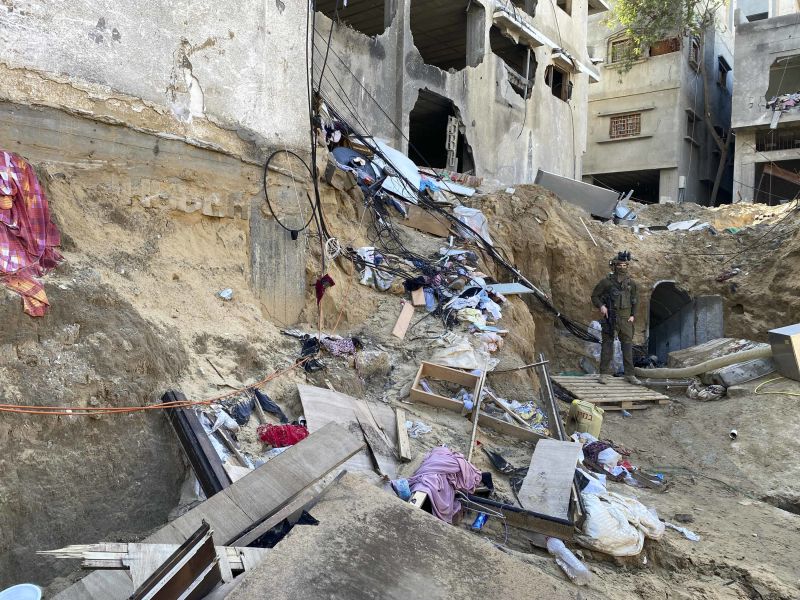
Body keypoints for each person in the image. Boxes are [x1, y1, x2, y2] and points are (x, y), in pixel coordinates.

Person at [591, 251, 642, 385]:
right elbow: (594, 296)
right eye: (619, 264)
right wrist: (602, 306)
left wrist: (632, 315)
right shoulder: (606, 282)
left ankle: (630, 375)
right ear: (614, 266)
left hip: (626, 318)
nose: (622, 267)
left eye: (625, 265)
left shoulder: (632, 284)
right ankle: (603, 374)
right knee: (607, 345)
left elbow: (635, 300)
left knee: (627, 346)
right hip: (611, 316)